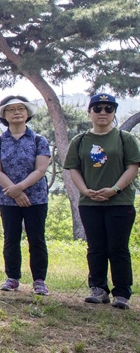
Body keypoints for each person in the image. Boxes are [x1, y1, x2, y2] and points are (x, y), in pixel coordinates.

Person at [64, 91, 140, 309]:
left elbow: (132, 167)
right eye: (97, 108)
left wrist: (114, 189)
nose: (102, 113)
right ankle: (98, 289)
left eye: (108, 109)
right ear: (89, 112)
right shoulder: (80, 141)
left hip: (120, 202)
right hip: (90, 203)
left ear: (114, 112)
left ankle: (122, 294)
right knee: (96, 247)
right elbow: (74, 169)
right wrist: (85, 191)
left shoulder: (125, 139)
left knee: (118, 248)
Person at [0, 95, 52, 295]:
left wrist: (21, 188)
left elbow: (41, 169)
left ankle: (39, 280)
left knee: (37, 238)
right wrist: (14, 193)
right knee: (11, 238)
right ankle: (12, 277)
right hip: (8, 199)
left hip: (36, 198)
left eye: (20, 109)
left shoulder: (39, 140)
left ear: (27, 113)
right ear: (4, 115)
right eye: (11, 109)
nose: (16, 112)